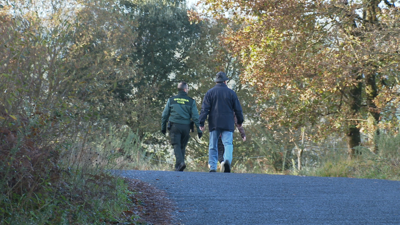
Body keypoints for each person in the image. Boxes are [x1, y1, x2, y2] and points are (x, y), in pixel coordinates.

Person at [199, 72, 244, 173]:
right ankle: (227, 161)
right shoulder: (231, 93)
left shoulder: (210, 93)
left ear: (216, 81)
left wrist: (201, 122)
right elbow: (238, 109)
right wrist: (240, 121)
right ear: (225, 81)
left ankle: (213, 167)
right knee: (228, 143)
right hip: (228, 123)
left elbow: (204, 109)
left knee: (213, 145)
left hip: (214, 123)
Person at [161, 82, 203, 171]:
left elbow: (165, 115)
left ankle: (180, 163)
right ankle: (179, 166)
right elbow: (195, 117)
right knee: (182, 146)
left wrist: (163, 127)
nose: (187, 90)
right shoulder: (191, 101)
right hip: (186, 127)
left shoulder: (171, 100)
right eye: (187, 88)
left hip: (174, 126)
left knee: (176, 145)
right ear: (184, 90)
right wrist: (199, 130)